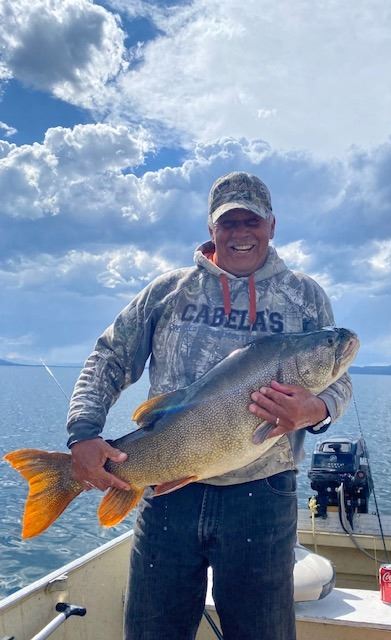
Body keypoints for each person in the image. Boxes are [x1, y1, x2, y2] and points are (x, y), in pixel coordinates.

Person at [67, 172, 352, 640]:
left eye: (251, 221)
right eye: (228, 222)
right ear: (211, 228)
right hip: (166, 491)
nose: (241, 233)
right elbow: (110, 357)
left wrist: (315, 410)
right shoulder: (168, 291)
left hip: (263, 495)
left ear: (272, 224)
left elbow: (339, 382)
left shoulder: (304, 296)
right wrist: (83, 433)